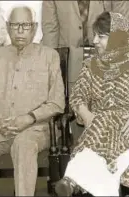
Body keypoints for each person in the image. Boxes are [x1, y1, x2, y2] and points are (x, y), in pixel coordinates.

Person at [0, 5, 65, 196]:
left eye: (25, 25)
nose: (20, 31)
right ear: (8, 27)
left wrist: (29, 118)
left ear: (34, 28)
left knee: (23, 144)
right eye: (15, 25)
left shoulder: (50, 56)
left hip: (35, 130)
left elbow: (57, 102)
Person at [55, 12, 129, 196]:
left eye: (101, 36)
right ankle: (74, 179)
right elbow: (78, 95)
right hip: (98, 125)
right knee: (100, 128)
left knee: (101, 149)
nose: (94, 41)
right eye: (95, 35)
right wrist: (86, 114)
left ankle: (72, 179)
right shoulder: (91, 65)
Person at [41, 0, 111, 143]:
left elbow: (121, 20)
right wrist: (53, 68)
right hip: (71, 60)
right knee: (78, 115)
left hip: (107, 56)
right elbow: (50, 30)